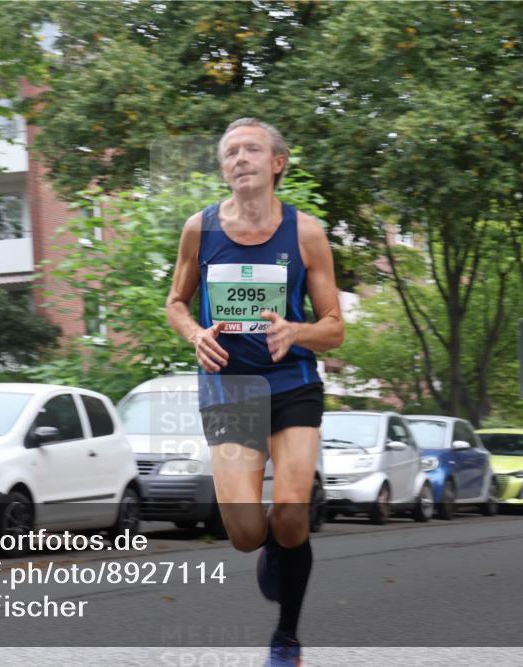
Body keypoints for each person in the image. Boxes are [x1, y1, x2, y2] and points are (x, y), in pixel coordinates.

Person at [165, 118, 344, 666]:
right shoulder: (199, 230)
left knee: (290, 513)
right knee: (245, 532)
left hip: (292, 383)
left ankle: (286, 638)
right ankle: (271, 552)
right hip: (229, 389)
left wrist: (297, 332)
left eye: (251, 149)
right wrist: (195, 334)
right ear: (224, 168)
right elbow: (176, 303)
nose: (239, 158)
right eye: (230, 152)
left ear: (276, 163)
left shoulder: (306, 233)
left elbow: (334, 327)